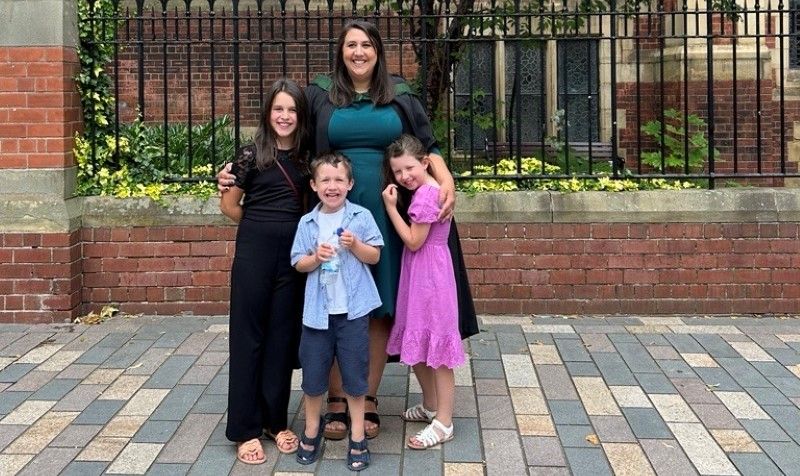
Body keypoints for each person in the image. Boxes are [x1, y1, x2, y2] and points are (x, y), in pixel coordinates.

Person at [218, 19, 478, 440]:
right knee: (331, 295)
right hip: (332, 209)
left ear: (378, 50)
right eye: (351, 45)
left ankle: (366, 397)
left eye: (366, 45)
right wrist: (236, 175)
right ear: (341, 52)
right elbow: (291, 143)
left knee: (374, 304)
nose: (358, 52)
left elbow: (428, 148)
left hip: (388, 214)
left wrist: (446, 184)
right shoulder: (321, 95)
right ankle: (335, 398)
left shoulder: (400, 95)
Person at [219, 78, 309, 464]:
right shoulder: (250, 154)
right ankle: (244, 428)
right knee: (248, 337)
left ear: (300, 115)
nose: (285, 116)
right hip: (254, 253)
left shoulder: (308, 157)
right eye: (278, 109)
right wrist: (260, 223)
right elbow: (229, 206)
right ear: (268, 113)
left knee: (280, 339)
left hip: (293, 258)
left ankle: (274, 420)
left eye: (291, 110)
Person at [290, 153, 383, 471]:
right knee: (314, 376)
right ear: (315, 185)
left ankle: (357, 435)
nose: (332, 186)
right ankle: (312, 429)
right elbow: (298, 262)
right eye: (325, 180)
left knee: (356, 375)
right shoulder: (307, 222)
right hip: (317, 313)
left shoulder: (361, 217)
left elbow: (374, 256)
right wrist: (315, 257)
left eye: (339, 180)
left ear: (350, 184)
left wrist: (355, 244)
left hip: (353, 312)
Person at [381, 134, 465, 449]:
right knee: (415, 339)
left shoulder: (426, 195)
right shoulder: (425, 191)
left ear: (425, 162)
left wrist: (391, 208)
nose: (404, 176)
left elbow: (415, 241)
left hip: (430, 276)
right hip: (421, 273)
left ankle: (444, 422)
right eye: (398, 171)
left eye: (409, 168)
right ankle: (431, 405)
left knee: (439, 351)